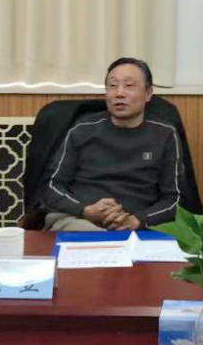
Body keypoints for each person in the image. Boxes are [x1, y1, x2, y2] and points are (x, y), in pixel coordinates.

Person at [40, 57, 187, 231]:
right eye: (112, 86)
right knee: (95, 238)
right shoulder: (81, 130)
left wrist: (136, 221)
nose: (119, 93)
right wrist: (85, 211)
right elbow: (50, 187)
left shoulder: (165, 134)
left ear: (148, 94)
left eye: (129, 85)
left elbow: (174, 199)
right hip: (78, 219)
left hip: (137, 225)